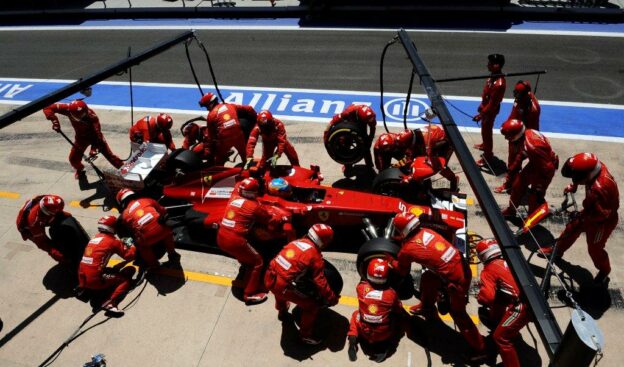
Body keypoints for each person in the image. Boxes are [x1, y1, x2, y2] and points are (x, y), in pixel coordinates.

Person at [389, 212, 486, 360]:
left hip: (456, 281)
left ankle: (480, 350)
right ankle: (427, 306)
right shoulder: (427, 231)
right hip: (460, 267)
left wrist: (390, 262)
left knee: (459, 314)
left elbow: (402, 269)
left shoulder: (408, 249)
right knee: (428, 277)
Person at [540, 153, 619, 285]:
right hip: (591, 210)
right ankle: (557, 251)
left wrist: (583, 217)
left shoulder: (601, 189)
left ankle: (605, 271)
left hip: (602, 222)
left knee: (595, 249)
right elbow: (580, 175)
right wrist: (574, 186)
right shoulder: (595, 167)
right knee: (571, 228)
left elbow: (602, 215)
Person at [264, 223, 340, 344]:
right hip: (283, 287)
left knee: (279, 290)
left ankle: (282, 311)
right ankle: (305, 335)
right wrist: (331, 298)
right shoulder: (315, 256)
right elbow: (320, 282)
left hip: (269, 276)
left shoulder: (296, 242)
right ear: (322, 241)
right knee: (311, 306)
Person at [216, 178, 277, 304]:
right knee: (258, 262)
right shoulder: (254, 206)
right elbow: (269, 219)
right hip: (236, 241)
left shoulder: (234, 196)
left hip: (221, 236)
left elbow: (238, 183)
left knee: (247, 258)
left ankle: (246, 266)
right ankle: (249, 294)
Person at [476, 239, 529, 367]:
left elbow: (486, 298)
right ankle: (497, 322)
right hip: (532, 296)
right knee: (500, 297)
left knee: (501, 338)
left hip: (522, 306)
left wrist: (480, 295)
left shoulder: (489, 269)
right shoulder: (511, 261)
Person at [43, 99, 123, 178]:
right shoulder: (67, 108)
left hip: (95, 138)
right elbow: (47, 107)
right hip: (81, 138)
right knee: (73, 159)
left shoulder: (92, 117)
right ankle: (80, 169)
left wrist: (93, 149)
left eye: (84, 115)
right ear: (71, 113)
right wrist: (54, 121)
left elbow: (97, 134)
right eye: (80, 117)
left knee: (110, 156)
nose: (83, 118)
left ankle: (126, 170)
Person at [347, 258, 407, 362]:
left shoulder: (360, 288)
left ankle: (352, 342)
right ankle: (386, 348)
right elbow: (398, 309)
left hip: (365, 331)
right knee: (399, 319)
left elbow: (364, 279)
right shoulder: (391, 294)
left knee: (355, 315)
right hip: (383, 334)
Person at [496, 119, 558, 217]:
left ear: (516, 135)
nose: (506, 138)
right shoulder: (527, 134)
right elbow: (524, 152)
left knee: (534, 197)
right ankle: (511, 211)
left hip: (545, 168)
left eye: (508, 136)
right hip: (536, 162)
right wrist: (514, 166)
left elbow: (548, 168)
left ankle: (532, 217)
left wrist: (540, 188)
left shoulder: (533, 146)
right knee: (517, 186)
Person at [78, 216, 136, 317]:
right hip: (95, 280)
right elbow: (129, 255)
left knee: (113, 269)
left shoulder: (94, 238)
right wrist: (132, 246)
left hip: (82, 278)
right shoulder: (112, 241)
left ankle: (89, 289)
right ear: (112, 227)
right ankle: (110, 303)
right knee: (125, 280)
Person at [116, 188, 181, 270]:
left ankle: (154, 265)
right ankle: (172, 254)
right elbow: (163, 211)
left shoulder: (124, 215)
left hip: (147, 238)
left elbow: (129, 231)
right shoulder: (146, 200)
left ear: (122, 202)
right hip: (163, 230)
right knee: (166, 230)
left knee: (142, 246)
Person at [199, 92, 257, 165]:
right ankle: (248, 170)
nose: (207, 109)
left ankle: (220, 173)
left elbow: (210, 137)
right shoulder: (230, 105)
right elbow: (249, 108)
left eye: (206, 106)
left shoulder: (211, 116)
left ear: (210, 104)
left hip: (224, 139)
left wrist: (209, 150)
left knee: (218, 162)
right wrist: (256, 119)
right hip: (239, 135)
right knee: (246, 158)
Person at [16, 194, 71, 264]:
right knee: (50, 247)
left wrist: (69, 217)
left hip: (40, 213)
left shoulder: (49, 199)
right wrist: (58, 254)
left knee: (65, 215)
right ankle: (64, 262)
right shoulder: (34, 223)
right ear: (47, 213)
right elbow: (42, 243)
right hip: (27, 228)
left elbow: (59, 212)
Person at [324, 104, 376, 176]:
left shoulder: (370, 115)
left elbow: (372, 128)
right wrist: (326, 135)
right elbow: (332, 122)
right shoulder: (347, 112)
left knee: (366, 146)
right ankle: (348, 166)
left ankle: (369, 166)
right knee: (345, 144)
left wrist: (370, 139)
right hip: (349, 124)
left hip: (361, 126)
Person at [473, 54, 506, 167]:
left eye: (490, 63)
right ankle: (484, 145)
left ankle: (488, 156)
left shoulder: (499, 84)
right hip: (485, 107)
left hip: (490, 111)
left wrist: (480, 115)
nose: (487, 65)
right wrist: (481, 105)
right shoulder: (492, 76)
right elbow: (486, 92)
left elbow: (492, 105)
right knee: (484, 129)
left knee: (487, 132)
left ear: (496, 66)